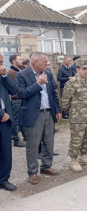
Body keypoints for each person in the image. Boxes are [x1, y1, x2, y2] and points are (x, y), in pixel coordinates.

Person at [17, 52, 62, 185]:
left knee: (49, 141)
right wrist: (37, 84)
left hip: (48, 112)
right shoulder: (22, 75)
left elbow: (53, 93)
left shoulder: (47, 73)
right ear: (35, 62)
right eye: (44, 61)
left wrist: (57, 110)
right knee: (33, 144)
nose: (47, 63)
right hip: (33, 114)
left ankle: (46, 167)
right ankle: (32, 172)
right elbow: (21, 94)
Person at [61, 60, 87, 172]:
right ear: (77, 69)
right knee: (77, 139)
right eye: (84, 69)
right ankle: (73, 160)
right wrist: (74, 112)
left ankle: (83, 156)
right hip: (78, 117)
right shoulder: (71, 83)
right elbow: (65, 102)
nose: (86, 71)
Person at [0, 53, 18, 191]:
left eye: (1, 62)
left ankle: (3, 179)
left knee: (6, 151)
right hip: (2, 116)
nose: (1, 65)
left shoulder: (2, 75)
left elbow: (13, 90)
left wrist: (5, 76)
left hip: (5, 120)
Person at [7, 54, 25, 147]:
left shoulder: (20, 71)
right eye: (19, 59)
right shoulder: (11, 73)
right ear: (14, 61)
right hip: (16, 99)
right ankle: (16, 139)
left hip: (22, 98)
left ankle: (24, 137)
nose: (22, 60)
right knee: (15, 120)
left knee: (22, 120)